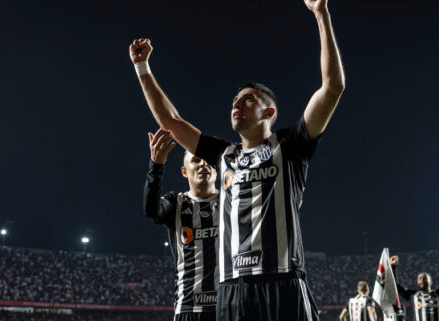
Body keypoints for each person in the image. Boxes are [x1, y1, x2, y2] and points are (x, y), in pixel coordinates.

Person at [129, 0, 344, 319]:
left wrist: (321, 14)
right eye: (235, 100)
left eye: (248, 99)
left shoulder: (292, 145)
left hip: (282, 279)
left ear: (268, 112)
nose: (237, 104)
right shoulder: (223, 155)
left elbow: (332, 87)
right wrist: (142, 67)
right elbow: (171, 121)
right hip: (234, 287)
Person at [143, 128, 219, 321]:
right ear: (184, 172)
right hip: (189, 307)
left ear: (217, 169)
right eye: (195, 160)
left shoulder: (232, 201)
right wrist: (156, 166)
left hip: (229, 306)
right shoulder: (176, 203)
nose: (203, 164)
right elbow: (151, 210)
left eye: (208, 161)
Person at [389, 255, 439, 321]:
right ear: (417, 283)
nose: (422, 280)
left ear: (431, 282)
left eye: (425, 278)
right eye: (419, 278)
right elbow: (396, 286)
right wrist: (393, 266)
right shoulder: (412, 295)